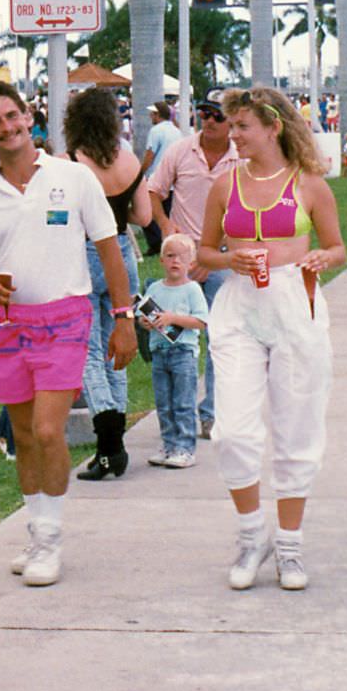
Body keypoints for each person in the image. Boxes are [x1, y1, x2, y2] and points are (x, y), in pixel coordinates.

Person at [0, 80, 137, 586]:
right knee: (26, 437)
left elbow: (109, 249)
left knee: (51, 430)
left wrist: (123, 318)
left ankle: (50, 543)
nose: (7, 127)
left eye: (13, 115)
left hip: (67, 319)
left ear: (27, 116)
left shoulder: (73, 178)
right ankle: (37, 532)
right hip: (10, 328)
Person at [197, 86, 346, 591]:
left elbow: (337, 246)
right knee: (234, 430)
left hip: (293, 303)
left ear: (273, 127)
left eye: (242, 126)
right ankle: (250, 535)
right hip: (239, 304)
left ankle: (289, 547)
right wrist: (227, 259)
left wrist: (323, 259)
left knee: (297, 427)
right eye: (230, 125)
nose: (231, 135)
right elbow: (204, 252)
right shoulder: (225, 186)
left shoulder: (309, 185)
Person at [61, 87, 151, 482]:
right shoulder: (129, 160)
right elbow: (144, 216)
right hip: (122, 255)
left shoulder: (71, 163)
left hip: (82, 255)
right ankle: (115, 442)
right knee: (120, 346)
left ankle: (109, 444)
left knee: (88, 351)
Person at [149, 88, 240, 440]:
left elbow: (250, 213)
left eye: (218, 115)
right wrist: (165, 226)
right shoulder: (179, 151)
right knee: (173, 338)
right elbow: (154, 190)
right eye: (204, 113)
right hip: (181, 263)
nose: (209, 120)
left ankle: (211, 413)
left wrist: (213, 252)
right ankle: (176, 415)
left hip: (220, 261)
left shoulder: (241, 159)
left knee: (218, 338)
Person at [141, 233, 208, 469]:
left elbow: (201, 321)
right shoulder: (155, 289)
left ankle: (185, 448)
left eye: (181, 257)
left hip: (183, 353)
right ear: (161, 261)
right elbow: (144, 314)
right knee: (164, 402)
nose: (175, 262)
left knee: (183, 402)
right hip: (160, 352)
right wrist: (146, 323)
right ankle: (168, 445)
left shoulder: (192, 290)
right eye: (170, 256)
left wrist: (172, 318)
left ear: (191, 263)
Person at [140, 101, 183, 257]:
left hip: (156, 179)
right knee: (168, 213)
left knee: (147, 212)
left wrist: (140, 172)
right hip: (173, 180)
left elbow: (150, 154)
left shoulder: (156, 131)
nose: (151, 116)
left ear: (157, 115)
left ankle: (156, 243)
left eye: (152, 114)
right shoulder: (176, 131)